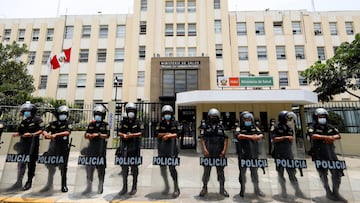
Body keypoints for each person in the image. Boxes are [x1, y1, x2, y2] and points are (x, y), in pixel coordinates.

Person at [308, 108, 347, 202]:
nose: (322, 118)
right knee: (323, 174)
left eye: (324, 116)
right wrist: (327, 137)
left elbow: (338, 135)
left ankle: (336, 192)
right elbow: (312, 135)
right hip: (319, 154)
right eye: (320, 116)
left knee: (337, 173)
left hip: (331, 153)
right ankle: (328, 192)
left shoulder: (330, 126)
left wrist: (333, 137)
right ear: (316, 117)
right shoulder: (312, 126)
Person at [10, 101, 43, 191]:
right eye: (24, 111)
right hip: (23, 145)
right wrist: (16, 134)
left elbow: (41, 131)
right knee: (21, 163)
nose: (25, 113)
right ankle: (18, 181)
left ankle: (29, 181)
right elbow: (20, 131)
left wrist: (32, 134)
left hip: (33, 145)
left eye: (27, 111)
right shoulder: (24, 121)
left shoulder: (37, 120)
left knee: (31, 164)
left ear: (32, 111)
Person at [271, 111, 304, 198]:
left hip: (289, 154)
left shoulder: (289, 129)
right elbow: (274, 138)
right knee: (280, 174)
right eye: (287, 118)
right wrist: (284, 137)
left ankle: (298, 191)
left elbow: (291, 139)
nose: (289, 120)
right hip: (279, 154)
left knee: (292, 173)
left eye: (290, 118)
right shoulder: (276, 127)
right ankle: (283, 191)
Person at [199, 108, 229, 198]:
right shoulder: (205, 126)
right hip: (208, 153)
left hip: (219, 153)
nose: (212, 118)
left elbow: (226, 139)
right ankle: (204, 188)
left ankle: (222, 188)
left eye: (214, 117)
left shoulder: (222, 126)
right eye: (211, 117)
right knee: (206, 172)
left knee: (220, 172)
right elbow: (202, 139)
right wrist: (204, 149)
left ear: (218, 117)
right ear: (208, 117)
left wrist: (224, 150)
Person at [41, 105, 72, 193]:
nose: (63, 115)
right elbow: (44, 129)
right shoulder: (53, 124)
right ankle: (49, 184)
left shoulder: (67, 123)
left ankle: (64, 185)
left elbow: (67, 132)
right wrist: (46, 134)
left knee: (63, 167)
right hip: (53, 147)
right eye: (62, 114)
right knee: (51, 167)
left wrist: (55, 135)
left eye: (65, 114)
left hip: (63, 148)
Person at [235, 112, 265, 197]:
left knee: (254, 173)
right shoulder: (239, 127)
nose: (247, 120)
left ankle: (257, 190)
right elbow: (238, 136)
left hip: (254, 154)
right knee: (242, 173)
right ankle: (242, 189)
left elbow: (261, 135)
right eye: (245, 119)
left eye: (249, 119)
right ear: (242, 119)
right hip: (243, 154)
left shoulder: (254, 127)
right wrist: (252, 137)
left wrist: (258, 137)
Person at [82, 104, 110, 195]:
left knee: (100, 169)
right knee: (89, 168)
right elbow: (86, 134)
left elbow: (107, 135)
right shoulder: (91, 124)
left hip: (101, 150)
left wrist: (98, 135)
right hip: (91, 149)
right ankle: (89, 186)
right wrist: (88, 135)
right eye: (96, 114)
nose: (98, 116)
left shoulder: (105, 125)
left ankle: (100, 185)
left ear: (103, 116)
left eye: (100, 115)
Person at [117, 102, 143, 195]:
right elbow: (118, 132)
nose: (130, 112)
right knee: (124, 167)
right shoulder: (123, 121)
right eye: (129, 111)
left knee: (134, 167)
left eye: (132, 111)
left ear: (135, 112)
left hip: (135, 148)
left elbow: (141, 133)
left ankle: (134, 187)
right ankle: (124, 187)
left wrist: (132, 135)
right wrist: (123, 135)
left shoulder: (138, 121)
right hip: (125, 147)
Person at [156, 105, 181, 198]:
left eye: (169, 114)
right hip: (162, 149)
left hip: (173, 149)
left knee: (172, 169)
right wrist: (166, 133)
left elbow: (178, 134)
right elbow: (157, 134)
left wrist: (169, 136)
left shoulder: (175, 123)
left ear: (171, 114)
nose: (167, 115)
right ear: (163, 114)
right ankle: (166, 186)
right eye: (166, 114)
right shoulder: (160, 123)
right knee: (163, 169)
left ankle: (176, 188)